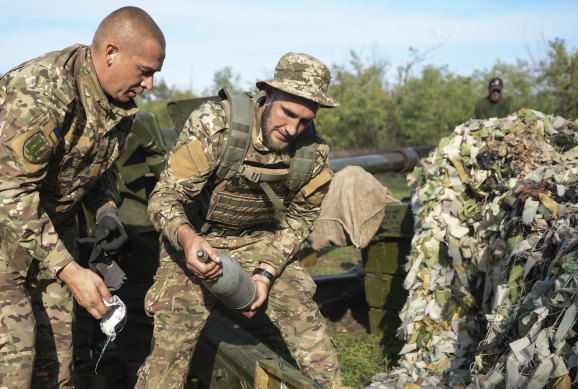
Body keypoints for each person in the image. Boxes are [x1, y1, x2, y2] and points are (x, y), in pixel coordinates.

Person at [136, 53, 344, 388]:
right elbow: (165, 197)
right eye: (288, 113)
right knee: (169, 354)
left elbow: (300, 219)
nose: (293, 129)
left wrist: (266, 272)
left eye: (305, 121)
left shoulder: (313, 154)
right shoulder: (215, 124)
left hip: (259, 238)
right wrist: (188, 240)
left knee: (310, 328)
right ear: (268, 94)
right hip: (196, 237)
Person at [0, 6, 165, 388]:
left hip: (53, 236)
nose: (150, 84)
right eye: (145, 70)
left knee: (58, 366)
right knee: (15, 368)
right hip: (7, 235)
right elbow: (10, 190)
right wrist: (71, 270)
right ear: (111, 53)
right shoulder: (40, 91)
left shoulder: (117, 103)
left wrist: (106, 211)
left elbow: (99, 163)